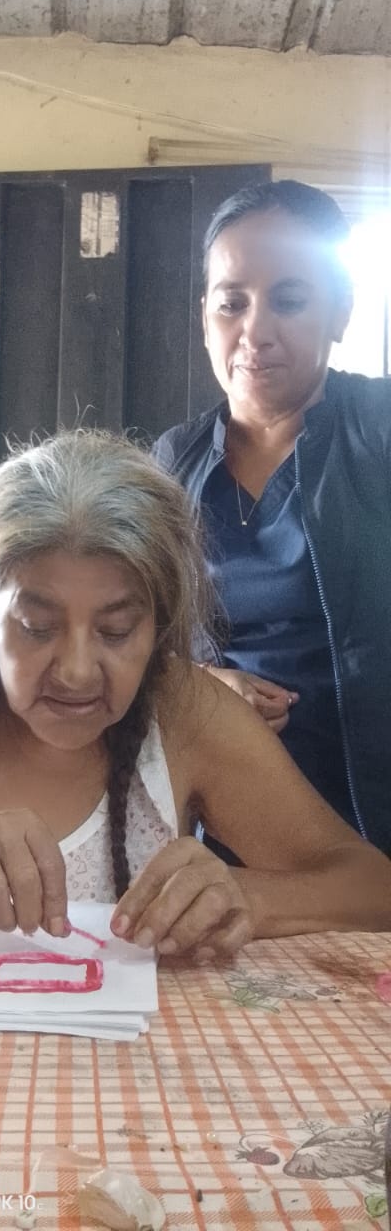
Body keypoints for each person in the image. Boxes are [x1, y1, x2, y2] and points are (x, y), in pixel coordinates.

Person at [0, 430, 390, 961]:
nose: (76, 673)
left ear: (159, 627)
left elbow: (372, 887)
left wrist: (250, 896)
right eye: (36, 627)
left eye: (116, 632)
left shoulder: (185, 711)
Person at [153, 180, 391, 857]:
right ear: (205, 318)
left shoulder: (379, 432)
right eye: (232, 303)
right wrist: (201, 685)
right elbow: (131, 636)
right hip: (229, 827)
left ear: (340, 312)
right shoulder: (174, 462)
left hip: (371, 819)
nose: (255, 332)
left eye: (289, 300)